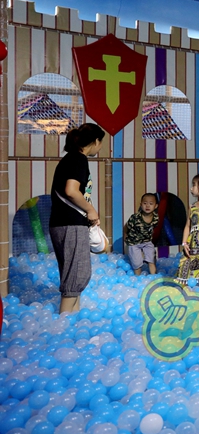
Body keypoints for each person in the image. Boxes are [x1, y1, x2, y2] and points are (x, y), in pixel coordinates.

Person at [49, 123, 105, 314]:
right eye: (101, 143)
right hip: (70, 224)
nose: (100, 147)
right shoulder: (78, 159)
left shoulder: (69, 159)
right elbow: (71, 191)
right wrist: (91, 210)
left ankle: (73, 319)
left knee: (72, 274)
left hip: (61, 223)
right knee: (77, 274)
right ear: (96, 141)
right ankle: (64, 322)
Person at [125, 193, 159, 275]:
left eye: (151, 204)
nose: (147, 206)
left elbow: (153, 228)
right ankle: (138, 278)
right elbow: (126, 227)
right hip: (134, 242)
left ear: (155, 206)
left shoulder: (156, 218)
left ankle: (153, 276)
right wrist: (126, 237)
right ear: (141, 205)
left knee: (151, 259)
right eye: (145, 203)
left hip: (147, 241)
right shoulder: (135, 217)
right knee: (137, 263)